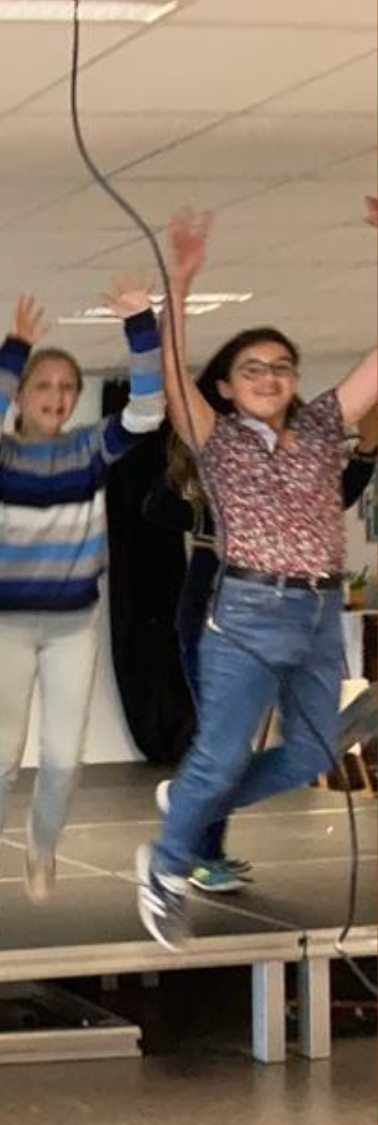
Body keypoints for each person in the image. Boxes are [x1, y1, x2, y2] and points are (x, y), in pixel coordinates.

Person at [138, 201, 378, 947]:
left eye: (280, 366)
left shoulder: (321, 427)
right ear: (228, 388)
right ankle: (165, 868)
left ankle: (193, 800)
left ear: (295, 378)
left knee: (312, 752)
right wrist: (180, 283)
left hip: (318, 613)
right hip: (247, 612)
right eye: (252, 369)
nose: (269, 377)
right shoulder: (217, 442)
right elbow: (173, 376)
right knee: (222, 756)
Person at [0, 281, 165, 905]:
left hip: (73, 623)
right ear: (22, 396)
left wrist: (140, 323)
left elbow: (147, 412)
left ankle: (42, 844)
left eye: (67, 387)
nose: (57, 396)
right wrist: (14, 349)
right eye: (43, 386)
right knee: (0, 758)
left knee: (63, 759)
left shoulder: (89, 450)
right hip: (4, 622)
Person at [143, 420, 375, 893]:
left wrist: (367, 451)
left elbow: (340, 493)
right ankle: (200, 853)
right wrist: (204, 484)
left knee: (293, 748)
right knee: (224, 746)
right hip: (209, 617)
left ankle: (192, 817)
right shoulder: (217, 492)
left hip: (272, 619)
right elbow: (157, 506)